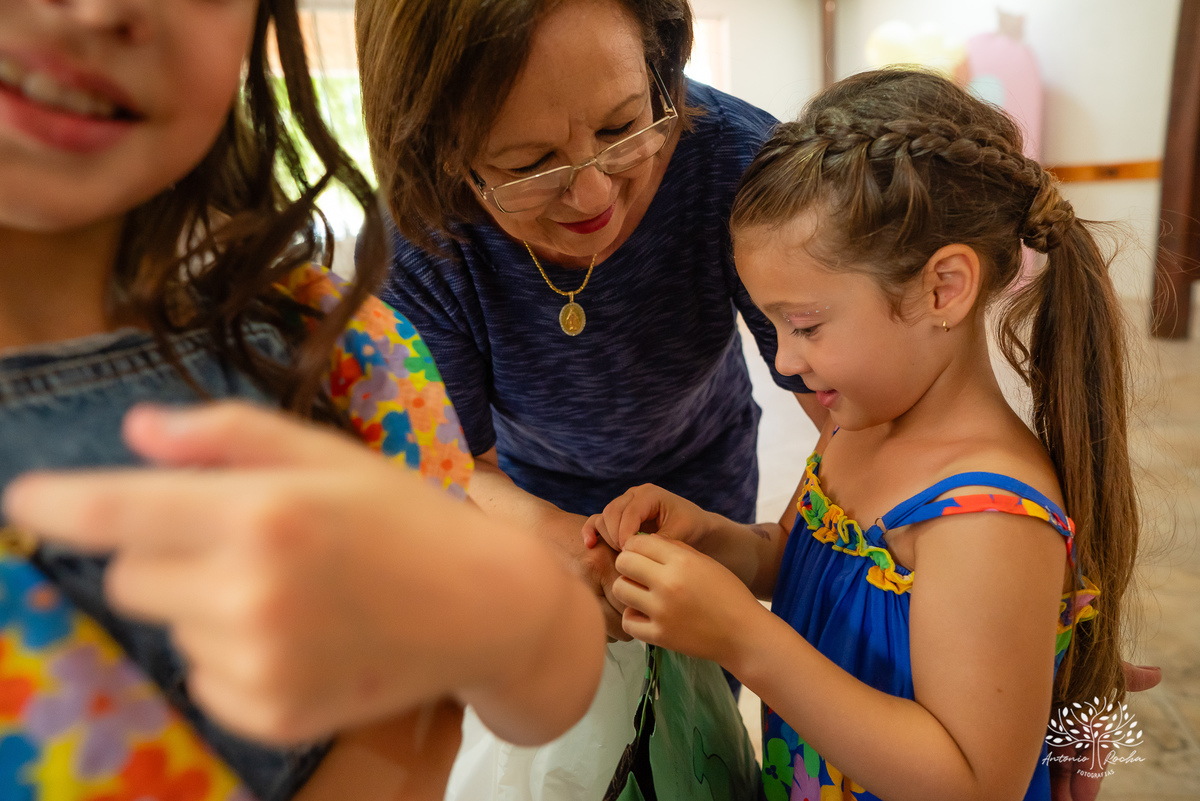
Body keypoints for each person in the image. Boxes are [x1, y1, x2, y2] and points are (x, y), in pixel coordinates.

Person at [0, 1, 604, 799]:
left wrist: (508, 607)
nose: (103, 8)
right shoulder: (419, 256)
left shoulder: (336, 344)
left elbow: (517, 660)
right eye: (531, 160)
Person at [585, 68, 1141, 800]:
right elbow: (802, 559)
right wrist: (713, 541)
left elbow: (975, 782)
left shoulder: (987, 518)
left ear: (943, 288)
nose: (784, 361)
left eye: (805, 324)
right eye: (772, 324)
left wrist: (744, 639)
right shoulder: (857, 424)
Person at [355, 0, 820, 796]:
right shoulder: (420, 237)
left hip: (703, 470)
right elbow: (448, 468)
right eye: (530, 163)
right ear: (442, 153)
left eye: (621, 126)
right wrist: (563, 542)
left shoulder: (738, 164)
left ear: (660, 65)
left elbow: (851, 409)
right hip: (519, 496)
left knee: (695, 729)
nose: (594, 193)